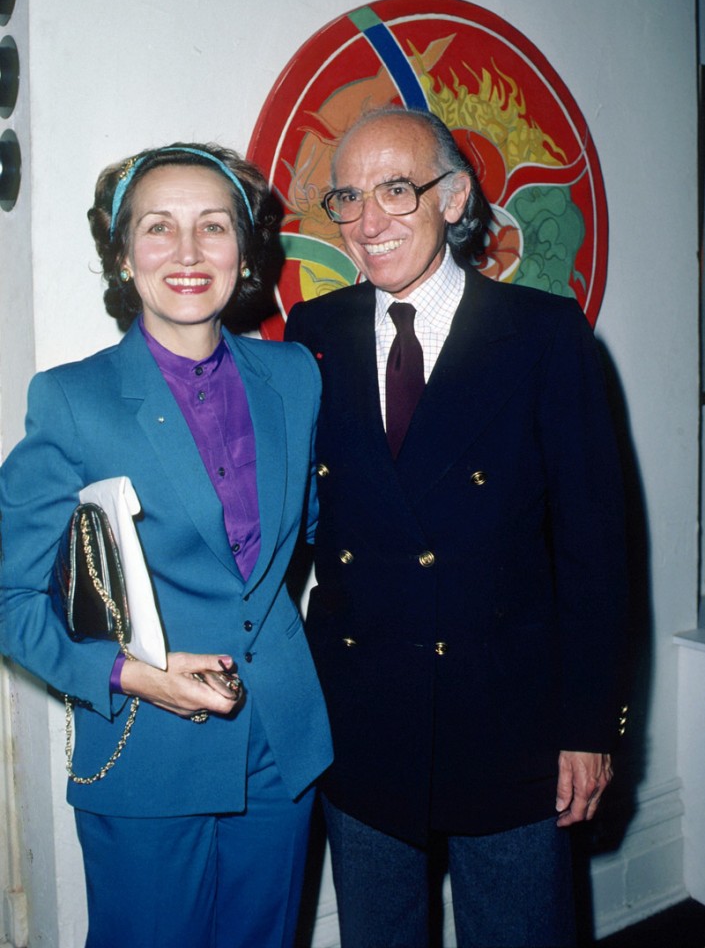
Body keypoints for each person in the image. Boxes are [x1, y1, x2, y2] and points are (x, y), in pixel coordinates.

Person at [285, 106, 628, 948]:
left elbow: (597, 553)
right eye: (347, 198)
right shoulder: (312, 334)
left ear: (455, 198)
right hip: (361, 715)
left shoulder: (544, 337)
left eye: (396, 191)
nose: (367, 223)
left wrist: (588, 727)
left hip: (507, 715)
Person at [0, 142, 332, 948]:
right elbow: (8, 595)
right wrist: (124, 673)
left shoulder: (294, 376)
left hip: (280, 746)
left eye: (212, 227)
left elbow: (316, 535)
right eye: (158, 227)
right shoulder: (73, 400)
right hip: (146, 752)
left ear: (245, 250)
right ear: (122, 256)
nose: (187, 253)